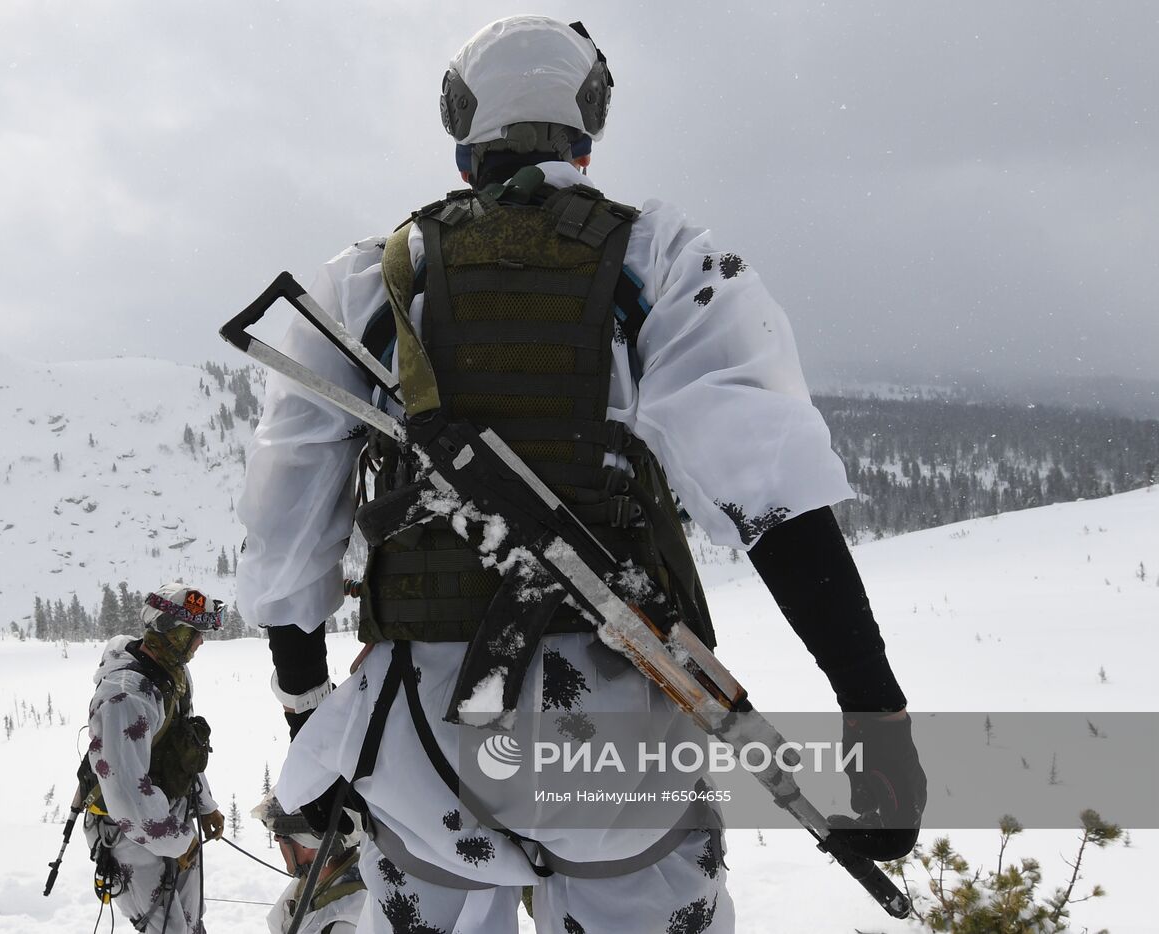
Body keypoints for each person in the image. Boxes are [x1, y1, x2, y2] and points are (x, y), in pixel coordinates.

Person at [239, 15, 925, 933]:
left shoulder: (372, 282)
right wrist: (875, 718)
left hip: (417, 748)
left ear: (461, 129)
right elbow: (776, 495)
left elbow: (286, 538)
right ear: (588, 125)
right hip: (620, 740)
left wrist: (309, 724)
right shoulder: (664, 261)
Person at [81, 582, 227, 934]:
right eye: (195, 633)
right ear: (173, 633)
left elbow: (183, 746)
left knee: (191, 920)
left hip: (169, 815)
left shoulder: (174, 675)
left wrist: (205, 805)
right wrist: (179, 841)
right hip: (127, 831)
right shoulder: (126, 696)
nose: (201, 642)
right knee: (166, 929)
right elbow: (127, 796)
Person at [253, 793, 367, 934]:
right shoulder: (311, 882)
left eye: (280, 835)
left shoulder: (346, 926)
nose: (277, 840)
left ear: (307, 843)